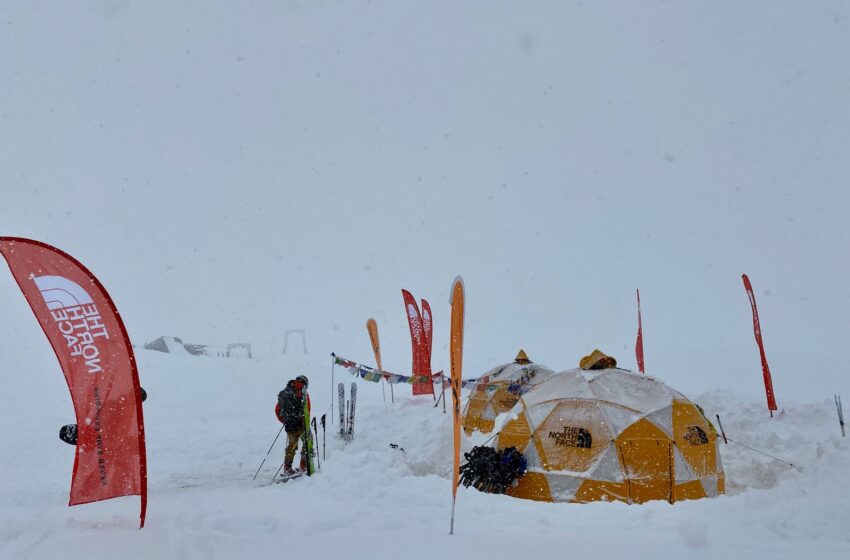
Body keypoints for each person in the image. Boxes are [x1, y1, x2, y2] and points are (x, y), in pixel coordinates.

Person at [275, 375, 310, 476]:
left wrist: (285, 421)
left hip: (289, 425)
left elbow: (277, 410)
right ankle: (303, 466)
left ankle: (287, 468)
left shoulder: (285, 391)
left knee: (291, 446)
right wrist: (304, 421)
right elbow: (307, 408)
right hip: (300, 423)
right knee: (307, 442)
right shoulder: (303, 391)